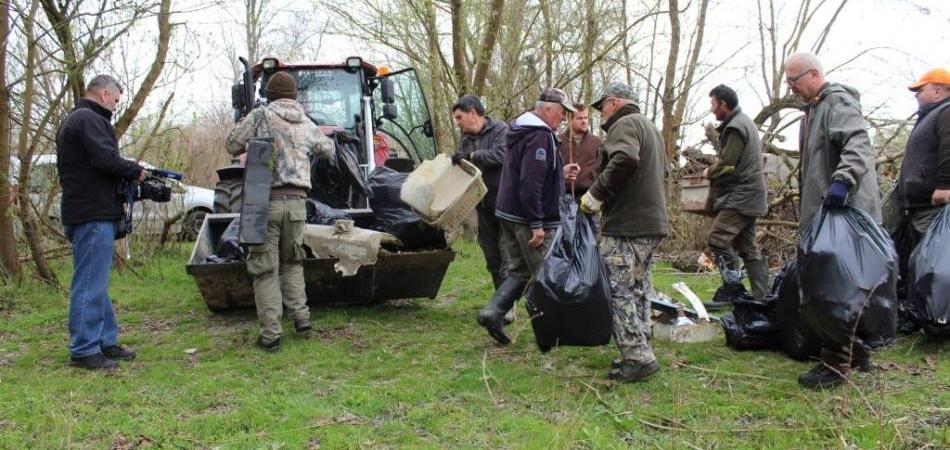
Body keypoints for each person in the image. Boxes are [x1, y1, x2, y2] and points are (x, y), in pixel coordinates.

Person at [785, 52, 882, 388]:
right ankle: (855, 351)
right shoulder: (813, 110)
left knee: (832, 288)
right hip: (827, 213)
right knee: (837, 286)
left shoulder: (837, 102)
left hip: (844, 212)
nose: (791, 88)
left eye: (793, 81)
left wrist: (842, 181)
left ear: (813, 75)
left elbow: (858, 142)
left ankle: (835, 365)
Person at [226, 71, 335, 352]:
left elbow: (231, 145)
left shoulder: (261, 116)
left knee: (265, 270)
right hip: (297, 204)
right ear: (294, 95)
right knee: (293, 263)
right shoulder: (306, 122)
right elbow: (328, 150)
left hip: (264, 202)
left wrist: (250, 124)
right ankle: (302, 319)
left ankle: (271, 335)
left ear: (270, 95)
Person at [581, 82, 669, 382]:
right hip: (652, 224)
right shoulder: (650, 129)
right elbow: (663, 172)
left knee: (618, 291)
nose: (601, 113)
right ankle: (642, 346)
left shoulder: (624, 124)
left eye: (602, 105)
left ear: (614, 102)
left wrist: (596, 194)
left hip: (627, 227)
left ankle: (636, 356)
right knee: (640, 289)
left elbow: (625, 159)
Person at [477, 87, 579, 345]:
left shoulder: (521, 130)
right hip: (528, 219)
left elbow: (531, 172)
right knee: (547, 274)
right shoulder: (539, 136)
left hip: (509, 213)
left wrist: (559, 172)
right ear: (546, 109)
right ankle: (555, 331)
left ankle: (494, 311)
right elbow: (530, 183)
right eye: (562, 112)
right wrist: (537, 224)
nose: (564, 118)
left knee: (521, 270)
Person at [57, 75, 146, 370]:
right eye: (117, 101)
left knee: (96, 281)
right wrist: (136, 171)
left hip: (87, 210)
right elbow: (105, 160)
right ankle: (84, 349)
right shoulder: (88, 119)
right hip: (91, 214)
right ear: (105, 94)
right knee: (89, 283)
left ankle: (105, 340)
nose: (117, 107)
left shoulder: (78, 119)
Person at [704, 85, 769, 301]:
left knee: (717, 240)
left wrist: (708, 171)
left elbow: (726, 163)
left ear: (724, 104)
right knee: (748, 248)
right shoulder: (745, 122)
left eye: (713, 104)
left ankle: (733, 289)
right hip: (752, 196)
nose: (712, 109)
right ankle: (762, 298)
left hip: (741, 196)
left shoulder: (735, 127)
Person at [450, 95, 511, 310]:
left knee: (507, 258)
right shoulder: (465, 138)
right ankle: (500, 300)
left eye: (459, 117)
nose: (457, 122)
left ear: (473, 113)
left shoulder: (500, 130)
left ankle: (506, 305)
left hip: (505, 205)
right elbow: (465, 165)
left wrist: (472, 155)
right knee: (492, 259)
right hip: (482, 207)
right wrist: (456, 162)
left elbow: (501, 155)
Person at [895, 68, 950, 293]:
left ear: (937, 90)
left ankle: (938, 319)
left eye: (920, 89)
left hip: (934, 205)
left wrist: (945, 186)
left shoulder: (946, 111)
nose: (916, 94)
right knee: (922, 262)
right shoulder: (930, 115)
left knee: (935, 264)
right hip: (920, 206)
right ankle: (924, 313)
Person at [558, 103, 602, 199]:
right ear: (570, 120)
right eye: (579, 118)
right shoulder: (558, 141)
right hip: (562, 197)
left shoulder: (596, 142)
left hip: (589, 196)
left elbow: (602, 170)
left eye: (586, 118)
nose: (584, 121)